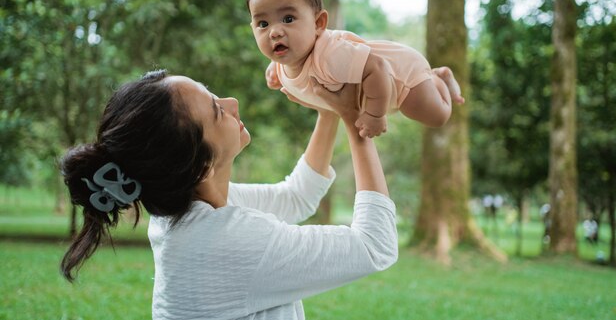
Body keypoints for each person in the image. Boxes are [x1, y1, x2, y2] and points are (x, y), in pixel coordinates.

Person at [60, 69, 398, 320]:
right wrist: (358, 122)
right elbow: (375, 245)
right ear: (200, 165)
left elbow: (296, 198)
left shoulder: (184, 213)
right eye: (216, 110)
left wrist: (329, 110)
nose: (232, 103)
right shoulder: (225, 241)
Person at [246, 0, 465, 138]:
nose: (274, 32)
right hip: (381, 84)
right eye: (263, 24)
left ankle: (440, 80)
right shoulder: (288, 57)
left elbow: (377, 67)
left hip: (401, 77)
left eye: (288, 18)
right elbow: (281, 55)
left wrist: (375, 115)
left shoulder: (330, 56)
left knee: (437, 116)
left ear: (318, 24)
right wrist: (274, 68)